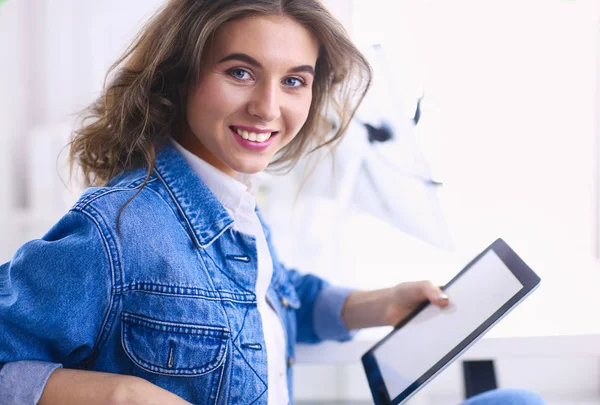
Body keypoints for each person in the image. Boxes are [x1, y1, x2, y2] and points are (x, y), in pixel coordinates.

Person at [0, 1, 545, 404]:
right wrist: (117, 395)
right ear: (182, 75)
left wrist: (380, 303)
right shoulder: (116, 229)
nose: (268, 107)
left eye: (294, 81)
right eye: (240, 72)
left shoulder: (229, 203)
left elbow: (271, 295)